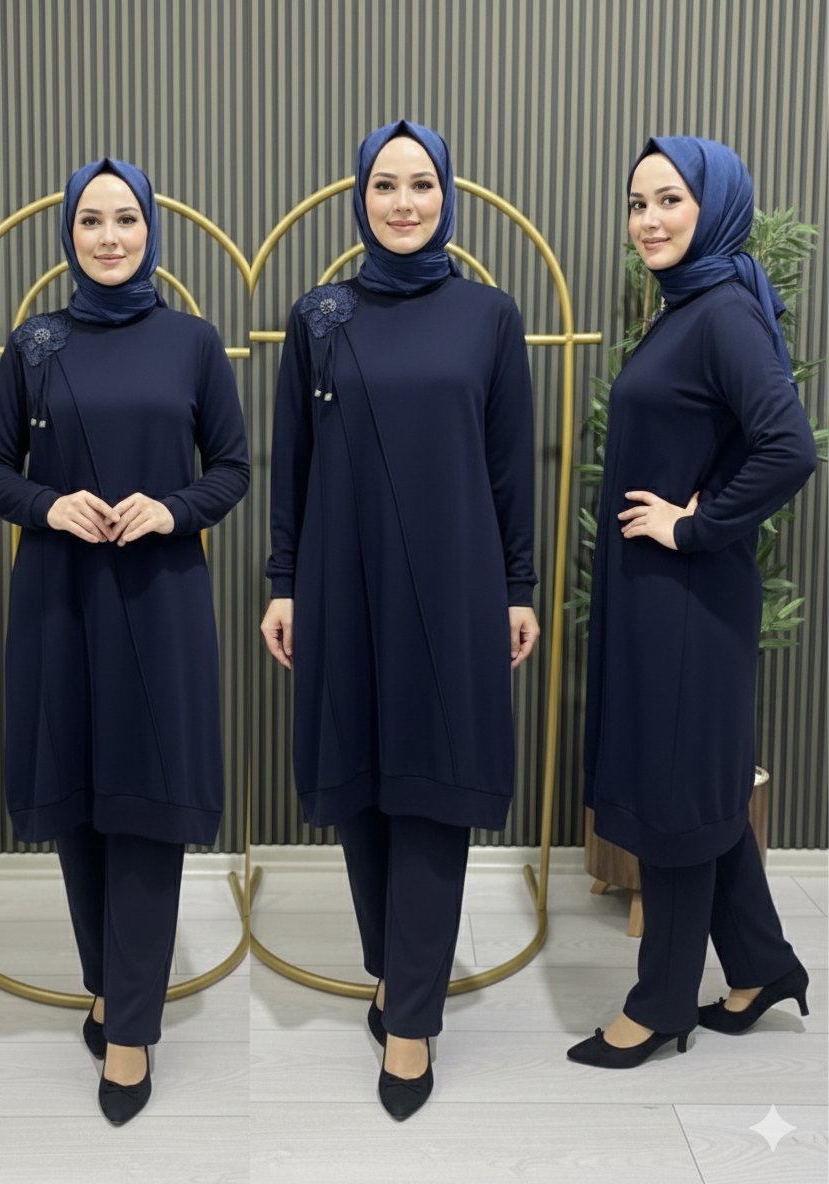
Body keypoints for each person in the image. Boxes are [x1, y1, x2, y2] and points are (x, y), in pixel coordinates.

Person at [261, 120, 539, 1118]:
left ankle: (413, 1020)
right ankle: (394, 969)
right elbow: (290, 462)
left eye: (422, 184)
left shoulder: (489, 315)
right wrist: (284, 580)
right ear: (360, 197)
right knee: (362, 783)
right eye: (386, 184)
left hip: (457, 583)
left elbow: (509, 465)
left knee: (432, 785)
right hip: (342, 577)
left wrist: (518, 586)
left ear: (446, 195)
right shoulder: (319, 315)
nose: (405, 202)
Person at [0, 158, 250, 1121]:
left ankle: (131, 1030)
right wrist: (49, 506)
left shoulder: (192, 341)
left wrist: (172, 510)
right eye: (90, 220)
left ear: (149, 229)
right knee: (79, 800)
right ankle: (109, 984)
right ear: (69, 234)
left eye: (125, 217)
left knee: (146, 804)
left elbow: (232, 467)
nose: (108, 236)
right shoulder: (35, 343)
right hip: (59, 598)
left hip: (160, 599)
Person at [568, 136, 816, 1069]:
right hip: (659, 599)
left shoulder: (721, 315)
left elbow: (788, 447)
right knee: (703, 788)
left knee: (676, 795)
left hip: (688, 601)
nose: (648, 221)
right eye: (637, 203)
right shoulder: (687, 306)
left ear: (715, 206)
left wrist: (696, 525)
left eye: (669, 199)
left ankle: (659, 1004)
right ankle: (761, 967)